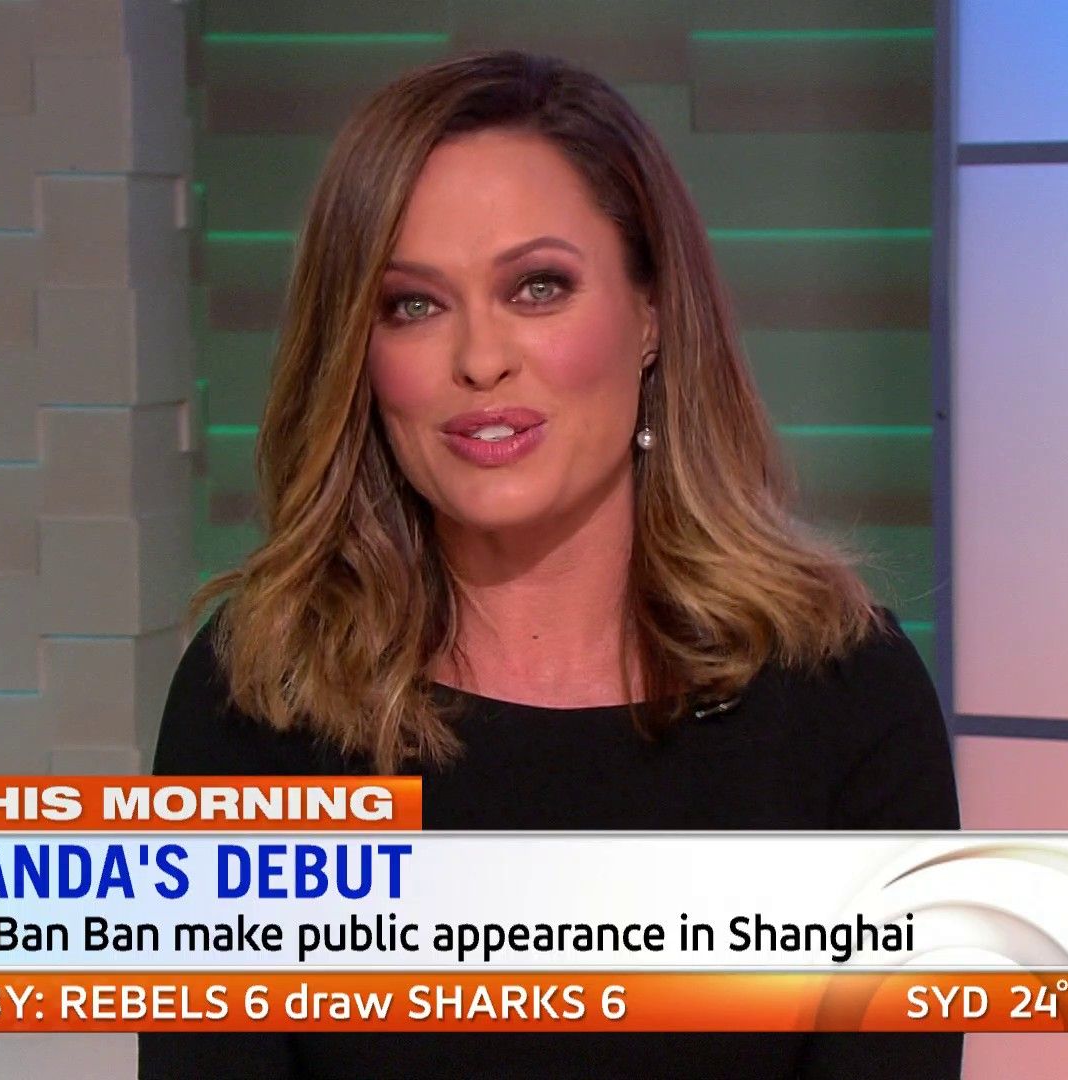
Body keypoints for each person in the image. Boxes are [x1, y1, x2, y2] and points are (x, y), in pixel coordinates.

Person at [142, 48, 961, 1079]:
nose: (479, 360)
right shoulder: (258, 693)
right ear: (358, 353)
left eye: (538, 288)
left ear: (652, 315)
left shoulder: (846, 697)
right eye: (413, 304)